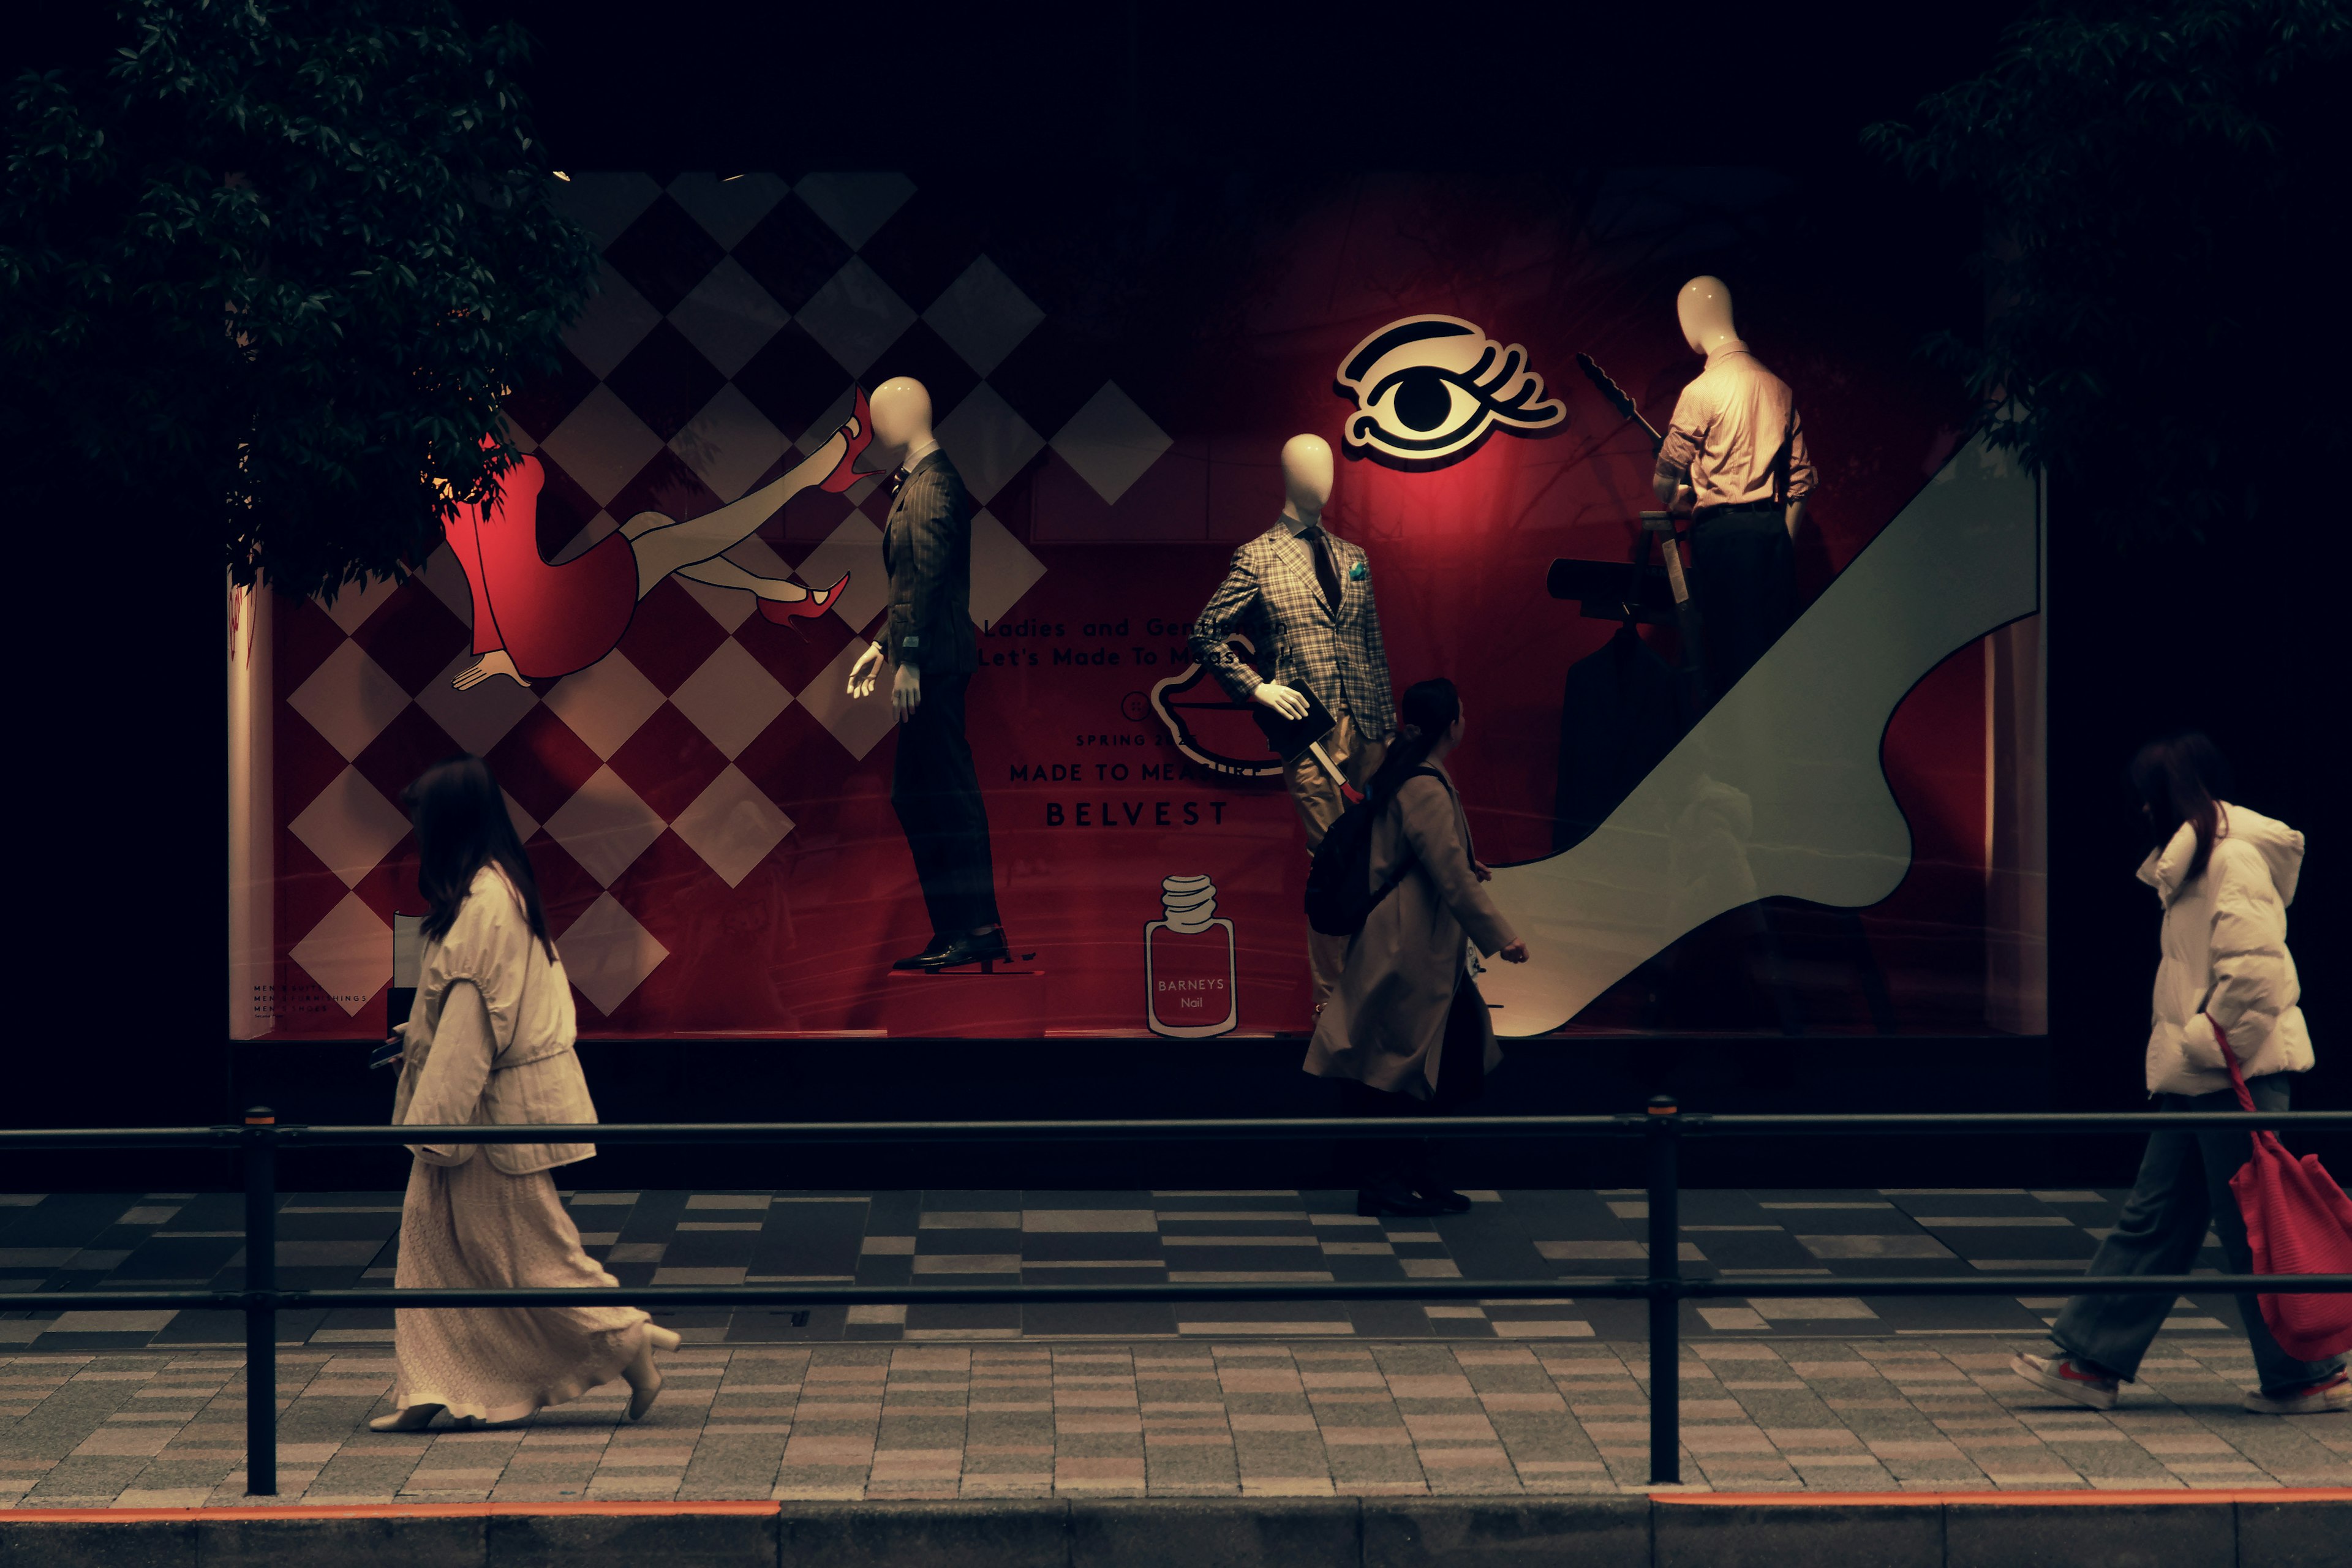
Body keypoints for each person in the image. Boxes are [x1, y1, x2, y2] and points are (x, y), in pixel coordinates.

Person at [2013, 733, 2345, 1415]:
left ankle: (2310, 1374)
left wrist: (2204, 1040)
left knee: (2253, 1228)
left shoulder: (2231, 860)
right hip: (2206, 1076)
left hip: (2232, 1075)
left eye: (2143, 799)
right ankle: (2091, 1362)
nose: (2136, 811)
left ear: (2162, 799)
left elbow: (2256, 974)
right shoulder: (2195, 863)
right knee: (2160, 1217)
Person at [371, 754, 679, 1431]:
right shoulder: (495, 893)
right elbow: (472, 1013)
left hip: (483, 1122)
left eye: (422, 820)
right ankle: (434, 1387)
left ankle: (628, 1340)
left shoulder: (483, 907)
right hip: (486, 1114)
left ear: (448, 825)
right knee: (438, 1255)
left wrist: (437, 1127)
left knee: (523, 1257)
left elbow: (471, 1031)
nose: (416, 834)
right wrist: (417, 1032)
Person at [446, 392, 868, 690]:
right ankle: (815, 472)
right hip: (556, 623)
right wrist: (502, 647)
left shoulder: (465, 460)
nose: (500, 385)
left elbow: (480, 556)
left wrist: (496, 646)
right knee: (667, 543)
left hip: (543, 616)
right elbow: (478, 555)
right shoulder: (464, 466)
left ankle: (776, 592)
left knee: (649, 524)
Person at [1303, 679, 1528, 1217]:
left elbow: (1422, 852)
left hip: (1410, 943)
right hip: (1409, 947)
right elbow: (1449, 875)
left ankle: (1417, 1172)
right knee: (1400, 1069)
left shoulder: (1408, 772)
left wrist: (1463, 862)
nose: (1466, 721)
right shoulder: (1424, 782)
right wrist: (1504, 938)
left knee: (1443, 1062)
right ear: (1452, 724)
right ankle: (1385, 1181)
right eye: (1463, 713)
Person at [1188, 433, 1396, 1011]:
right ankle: (1334, 1002)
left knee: (1378, 858)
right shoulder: (1257, 556)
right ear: (1287, 475)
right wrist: (1257, 688)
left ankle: (1378, 988)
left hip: (1370, 723)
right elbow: (1205, 634)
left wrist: (1389, 724)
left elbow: (1371, 643)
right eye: (1311, 467)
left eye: (1329, 467)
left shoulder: (1354, 556)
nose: (1324, 478)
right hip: (1310, 729)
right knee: (1330, 861)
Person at [846, 377, 1009, 971]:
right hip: (928, 655)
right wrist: (882, 644)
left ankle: (976, 929)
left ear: (908, 414)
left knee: (944, 794)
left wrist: (908, 656)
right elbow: (916, 577)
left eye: (882, 412)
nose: (876, 423)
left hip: (935, 663)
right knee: (918, 794)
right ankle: (959, 929)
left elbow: (929, 578)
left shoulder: (933, 485)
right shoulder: (922, 483)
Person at [1651, 276, 1815, 703]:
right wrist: (1784, 539)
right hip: (1771, 533)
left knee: (1729, 656)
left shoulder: (1701, 391)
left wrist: (1684, 497)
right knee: (1774, 657)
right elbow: (1802, 481)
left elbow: (1663, 481)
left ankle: (1736, 760)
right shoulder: (1778, 388)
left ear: (1693, 320)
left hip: (1722, 538)